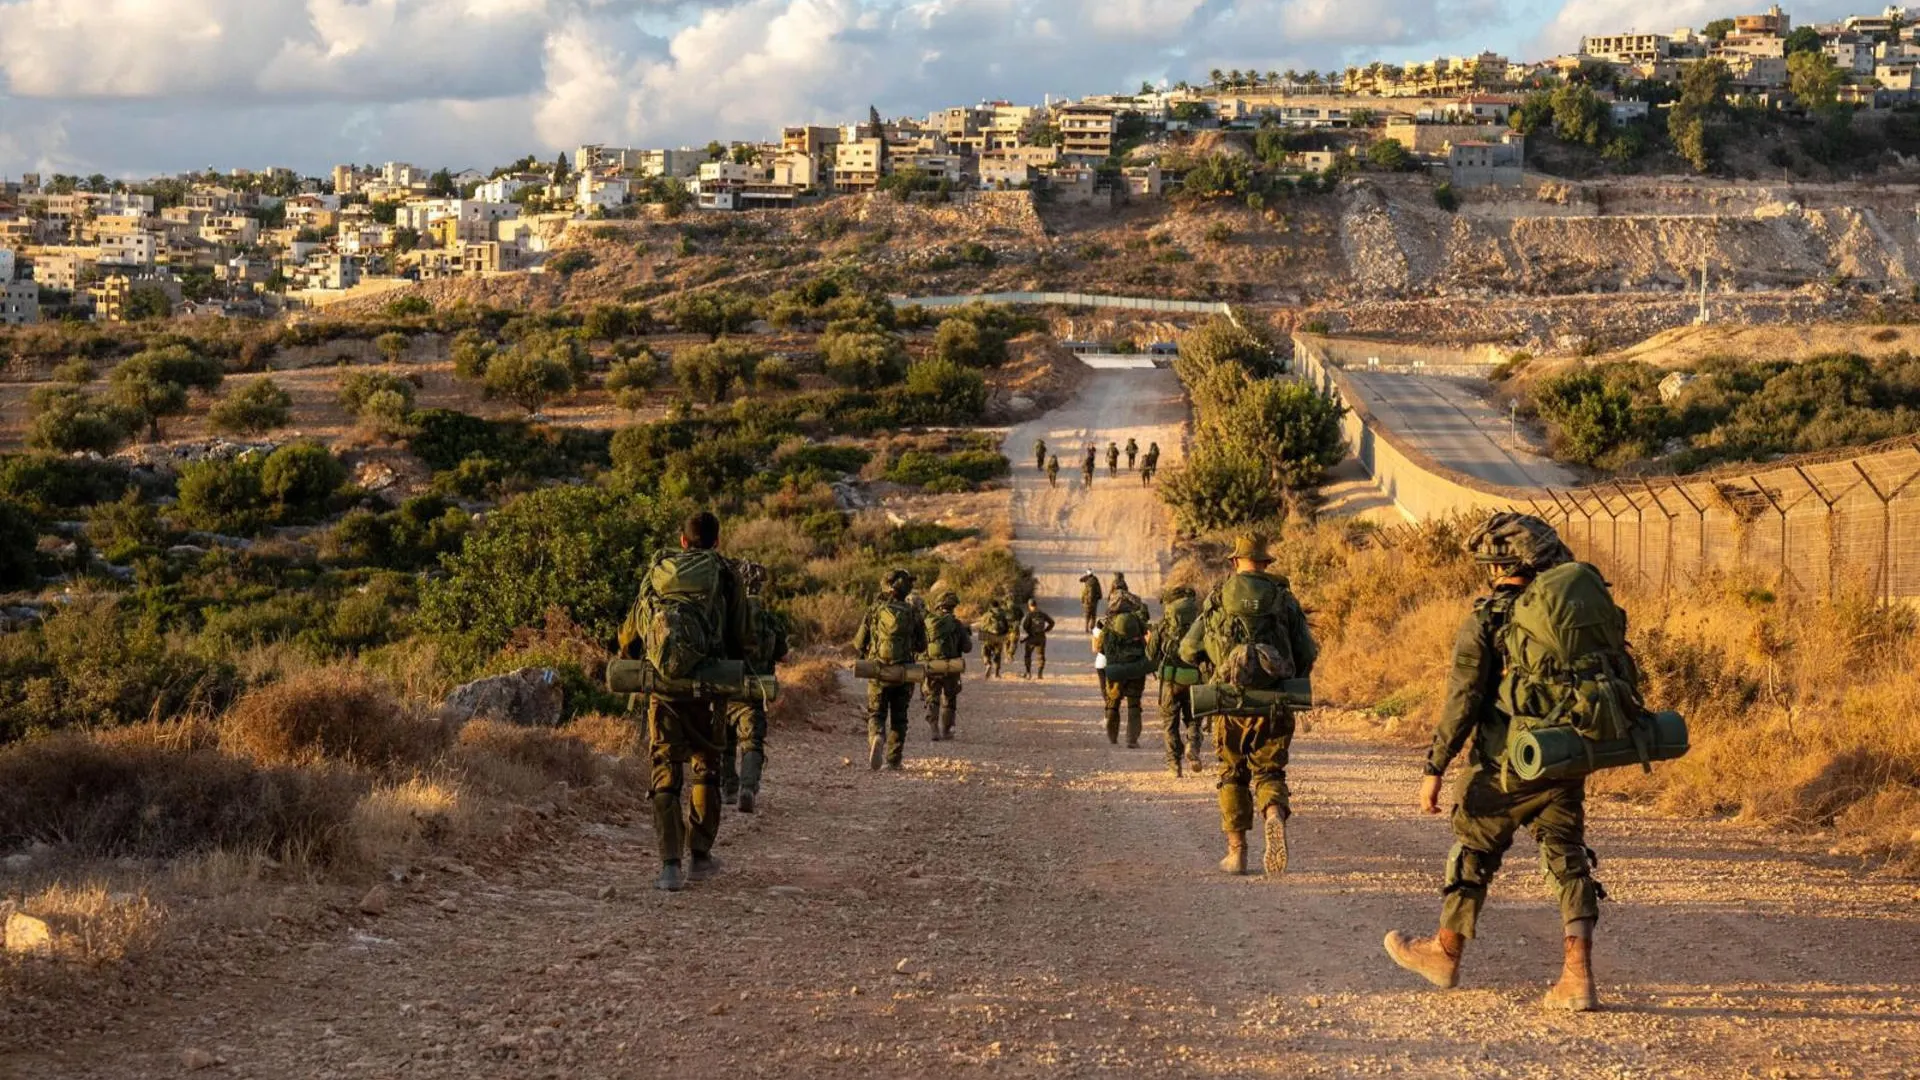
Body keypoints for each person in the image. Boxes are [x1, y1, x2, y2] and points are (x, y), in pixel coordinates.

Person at [1384, 513, 1607, 1013]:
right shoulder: (1573, 611)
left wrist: (1434, 768)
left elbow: (1463, 700)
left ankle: (1444, 952)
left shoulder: (1487, 618)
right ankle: (1578, 976)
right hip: (1567, 753)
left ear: (1499, 564)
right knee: (1568, 857)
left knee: (1473, 850)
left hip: (1508, 762)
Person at [619, 510, 748, 893]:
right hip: (709, 687)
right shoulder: (725, 573)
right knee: (707, 767)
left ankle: (669, 865)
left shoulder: (658, 571)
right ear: (717, 542)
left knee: (665, 770)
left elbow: (630, 632)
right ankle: (701, 857)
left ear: (683, 541)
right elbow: (742, 634)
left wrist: (633, 659)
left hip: (663, 688)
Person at [1180, 534, 1317, 878]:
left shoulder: (1218, 598)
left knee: (1232, 775)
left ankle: (1237, 854)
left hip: (1229, 704)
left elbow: (1187, 649)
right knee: (1270, 772)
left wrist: (1212, 665)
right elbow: (1307, 652)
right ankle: (1272, 813)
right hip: (1275, 704)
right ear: (1266, 563)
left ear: (1235, 561)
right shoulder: (1284, 599)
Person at [721, 561, 788, 815]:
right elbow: (784, 655)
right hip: (753, 692)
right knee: (752, 743)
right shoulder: (768, 618)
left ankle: (727, 789)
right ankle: (747, 788)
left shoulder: (724, 615)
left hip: (724, 689)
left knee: (724, 742)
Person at [853, 568, 929, 771]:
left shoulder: (874, 609)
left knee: (876, 713)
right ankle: (894, 760)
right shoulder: (913, 612)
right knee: (899, 716)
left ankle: (877, 735)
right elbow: (922, 646)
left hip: (879, 671)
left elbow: (859, 642)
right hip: (904, 672)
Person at [1152, 583, 1205, 777]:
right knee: (1194, 720)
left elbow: (1151, 655)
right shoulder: (1201, 625)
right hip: (1195, 678)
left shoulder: (1163, 625)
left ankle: (1174, 765)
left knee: (1170, 724)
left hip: (1170, 681)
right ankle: (1193, 745)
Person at [1094, 589, 1152, 747]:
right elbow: (1148, 637)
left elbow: (1099, 647)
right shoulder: (1136, 619)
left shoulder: (1109, 623)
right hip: (1135, 668)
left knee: (1113, 703)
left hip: (1115, 670)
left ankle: (1113, 737)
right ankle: (1132, 740)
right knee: (1134, 704)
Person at [920, 591, 974, 742]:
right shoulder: (956, 624)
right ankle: (946, 730)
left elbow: (919, 644)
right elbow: (967, 648)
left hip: (932, 666)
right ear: (952, 607)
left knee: (932, 697)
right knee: (949, 698)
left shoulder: (928, 622)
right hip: (951, 667)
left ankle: (933, 729)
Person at [978, 593, 1016, 678]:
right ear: (998, 606)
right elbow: (1007, 626)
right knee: (997, 655)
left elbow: (982, 627)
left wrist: (982, 636)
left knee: (985, 652)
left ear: (990, 606)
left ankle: (987, 664)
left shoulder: (987, 615)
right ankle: (996, 673)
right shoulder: (1003, 614)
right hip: (999, 637)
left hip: (988, 636)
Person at [1020, 598, 1055, 680]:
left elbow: (1025, 626)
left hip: (1031, 638)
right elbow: (1052, 622)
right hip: (1041, 637)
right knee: (1041, 656)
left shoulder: (1029, 615)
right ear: (1036, 605)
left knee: (1028, 655)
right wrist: (1046, 630)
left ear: (1029, 606)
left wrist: (1029, 633)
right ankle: (1040, 674)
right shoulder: (1042, 614)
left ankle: (1028, 673)